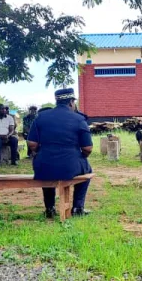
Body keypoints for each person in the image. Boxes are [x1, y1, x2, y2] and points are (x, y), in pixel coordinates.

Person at [27, 88, 93, 218]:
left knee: (47, 172)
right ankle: (77, 208)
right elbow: (88, 148)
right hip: (70, 165)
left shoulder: (41, 117)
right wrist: (81, 157)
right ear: (71, 102)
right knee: (87, 172)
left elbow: (32, 144)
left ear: (57, 101)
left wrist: (42, 153)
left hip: (44, 164)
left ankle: (50, 208)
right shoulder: (79, 119)